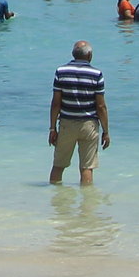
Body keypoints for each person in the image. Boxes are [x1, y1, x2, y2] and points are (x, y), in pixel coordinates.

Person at [49, 41, 109, 186]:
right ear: (89, 55)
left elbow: (56, 103)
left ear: (73, 54)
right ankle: (87, 204)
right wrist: (106, 131)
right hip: (89, 125)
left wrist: (52, 128)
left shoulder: (61, 72)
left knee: (58, 165)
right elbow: (101, 106)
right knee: (86, 168)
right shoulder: (97, 74)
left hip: (66, 123)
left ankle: (55, 201)